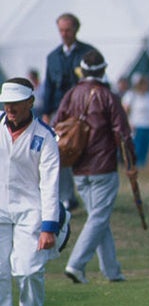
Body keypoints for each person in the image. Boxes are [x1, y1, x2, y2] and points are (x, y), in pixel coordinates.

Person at [55, 50, 137, 284]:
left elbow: (57, 125)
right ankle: (76, 264)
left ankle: (112, 271)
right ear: (103, 70)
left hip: (78, 166)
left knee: (98, 218)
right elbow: (123, 133)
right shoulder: (108, 96)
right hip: (103, 166)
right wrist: (131, 164)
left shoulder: (71, 94)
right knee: (99, 218)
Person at [0, 78, 61, 306]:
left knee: (27, 271)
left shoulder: (45, 137)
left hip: (30, 211)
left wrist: (49, 226)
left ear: (30, 102)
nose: (10, 108)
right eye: (6, 103)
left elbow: (50, 184)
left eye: (16, 103)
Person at [43, 13, 97, 211]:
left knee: (86, 152)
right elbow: (49, 86)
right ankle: (67, 197)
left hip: (82, 113)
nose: (64, 34)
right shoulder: (53, 57)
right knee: (61, 152)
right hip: (60, 113)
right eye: (61, 30)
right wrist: (46, 112)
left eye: (67, 30)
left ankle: (89, 194)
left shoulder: (88, 53)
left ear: (75, 30)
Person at [121, 74, 149, 168]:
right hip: (137, 124)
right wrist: (127, 122)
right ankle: (134, 164)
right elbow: (125, 110)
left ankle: (142, 164)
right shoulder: (131, 95)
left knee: (146, 146)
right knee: (137, 146)